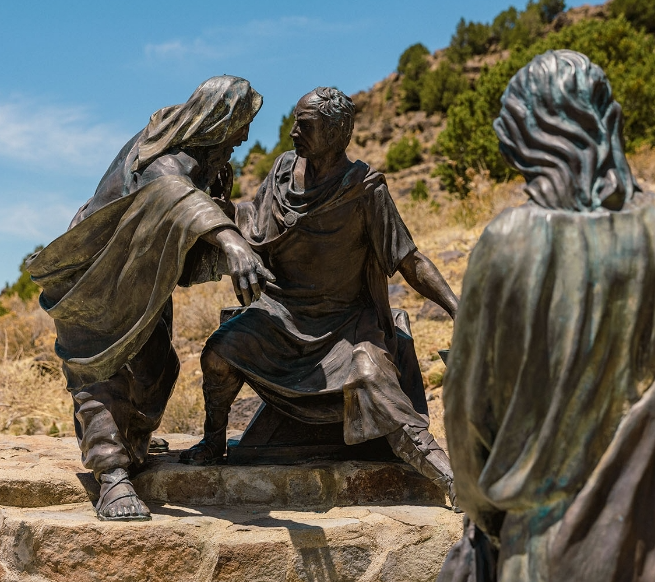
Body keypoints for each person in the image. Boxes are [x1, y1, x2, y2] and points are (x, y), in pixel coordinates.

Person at [420, 50, 655, 582]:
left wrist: (488, 519)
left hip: (546, 561)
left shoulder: (509, 243)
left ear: (524, 138)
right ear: (610, 120)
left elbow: (468, 419)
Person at [180, 86, 461, 505]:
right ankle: (213, 442)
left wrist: (458, 310)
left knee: (372, 380)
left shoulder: (364, 190)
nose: (293, 132)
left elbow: (409, 260)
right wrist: (219, 205)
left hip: (345, 322)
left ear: (337, 131)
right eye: (295, 122)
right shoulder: (278, 176)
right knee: (219, 353)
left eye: (305, 125)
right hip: (280, 313)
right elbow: (252, 226)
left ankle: (449, 479)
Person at [27, 75, 272, 522]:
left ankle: (130, 442)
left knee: (157, 367)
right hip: (97, 271)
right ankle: (112, 475)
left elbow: (195, 220)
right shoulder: (162, 152)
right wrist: (232, 242)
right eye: (240, 124)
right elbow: (171, 195)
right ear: (218, 120)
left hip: (141, 275)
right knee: (103, 372)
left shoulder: (208, 160)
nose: (245, 136)